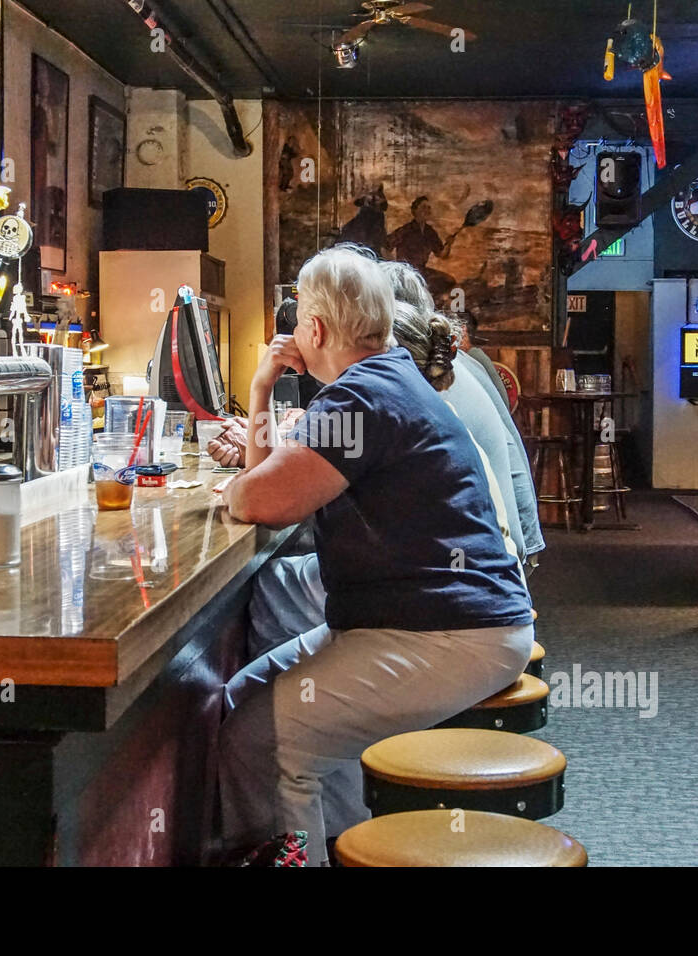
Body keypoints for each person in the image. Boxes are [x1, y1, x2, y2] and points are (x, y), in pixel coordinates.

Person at [218, 246, 535, 866]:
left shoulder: (359, 398)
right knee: (240, 695)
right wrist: (261, 392)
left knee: (264, 742)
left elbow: (256, 500)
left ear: (313, 328)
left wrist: (258, 405)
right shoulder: (385, 378)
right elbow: (265, 489)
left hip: (451, 635)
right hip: (435, 622)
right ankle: (327, 848)